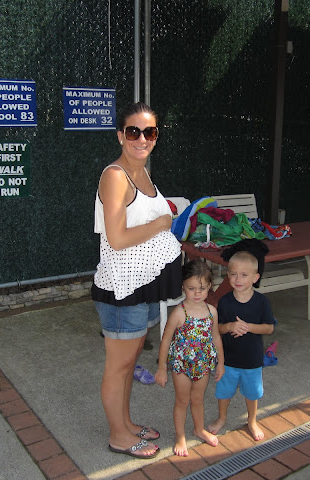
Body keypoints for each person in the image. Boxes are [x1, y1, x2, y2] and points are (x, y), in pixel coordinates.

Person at [92, 102, 182, 459]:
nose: (142, 139)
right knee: (118, 367)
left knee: (129, 363)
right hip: (121, 289)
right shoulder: (115, 176)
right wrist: (161, 223)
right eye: (134, 131)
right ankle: (118, 436)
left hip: (144, 285)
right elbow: (117, 238)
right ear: (120, 135)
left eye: (150, 132)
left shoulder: (143, 172)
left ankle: (126, 423)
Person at [155, 260, 225, 457]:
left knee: (198, 399)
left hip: (203, 365)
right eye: (191, 288)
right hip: (181, 365)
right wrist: (162, 368)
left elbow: (216, 337)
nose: (197, 293)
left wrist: (221, 362)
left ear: (209, 286)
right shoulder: (179, 313)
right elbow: (166, 339)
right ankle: (180, 436)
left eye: (201, 288)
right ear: (183, 287)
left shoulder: (212, 312)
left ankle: (199, 429)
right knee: (182, 401)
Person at [208, 250, 276, 441]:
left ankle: (252, 420)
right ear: (228, 275)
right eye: (233, 274)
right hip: (227, 359)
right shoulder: (225, 301)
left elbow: (269, 328)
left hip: (252, 360)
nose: (238, 279)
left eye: (244, 275)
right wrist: (230, 326)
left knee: (252, 394)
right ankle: (222, 418)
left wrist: (248, 327)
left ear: (255, 278)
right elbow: (217, 329)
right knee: (223, 392)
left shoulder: (261, 302)